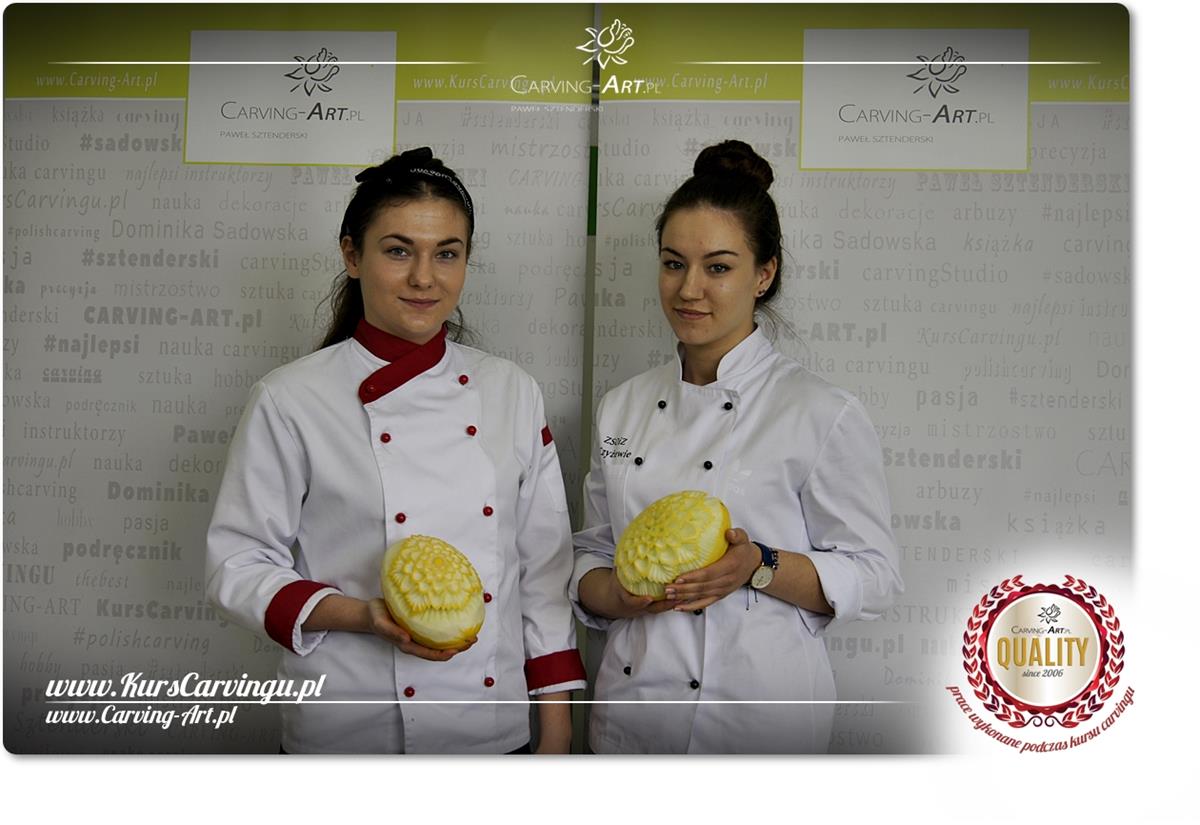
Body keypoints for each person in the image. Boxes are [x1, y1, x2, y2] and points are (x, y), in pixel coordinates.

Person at [206, 147, 585, 754]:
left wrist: (557, 737)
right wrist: (361, 615)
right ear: (352, 255)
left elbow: (543, 573)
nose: (424, 278)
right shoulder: (290, 398)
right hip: (348, 729)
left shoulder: (512, 391)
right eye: (398, 251)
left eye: (447, 254)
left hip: (491, 729)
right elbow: (237, 564)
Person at [571, 140, 903, 753]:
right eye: (673, 263)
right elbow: (594, 552)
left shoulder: (818, 411)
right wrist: (616, 594)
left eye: (718, 267)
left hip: (757, 723)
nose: (689, 289)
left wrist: (758, 565)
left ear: (764, 274)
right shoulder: (622, 407)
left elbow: (875, 576)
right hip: (631, 719)